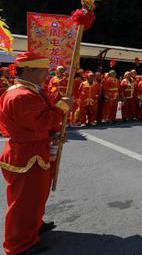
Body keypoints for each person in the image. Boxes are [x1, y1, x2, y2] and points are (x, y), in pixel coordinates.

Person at [0, 52, 71, 255]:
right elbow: (41, 121)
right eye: (43, 70)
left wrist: (54, 134)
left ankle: (33, 226)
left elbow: (40, 124)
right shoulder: (21, 95)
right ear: (29, 70)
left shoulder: (31, 90)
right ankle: (19, 245)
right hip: (27, 155)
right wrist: (62, 107)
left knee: (36, 197)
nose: (46, 74)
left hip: (35, 151)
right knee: (24, 202)